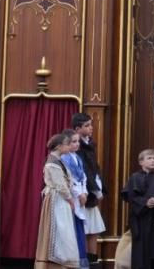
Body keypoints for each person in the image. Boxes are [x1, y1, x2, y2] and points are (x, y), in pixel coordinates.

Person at [35, 132, 80, 269]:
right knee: (58, 229)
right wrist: (70, 199)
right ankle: (54, 263)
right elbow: (60, 185)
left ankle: (64, 261)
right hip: (56, 199)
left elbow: (68, 180)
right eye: (67, 144)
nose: (69, 147)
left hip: (61, 199)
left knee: (64, 230)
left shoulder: (59, 160)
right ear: (60, 146)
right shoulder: (52, 163)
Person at [121, 149, 154, 269]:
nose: (153, 161)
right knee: (139, 250)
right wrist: (145, 202)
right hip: (139, 219)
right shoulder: (134, 177)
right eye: (149, 158)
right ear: (141, 162)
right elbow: (130, 196)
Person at [71, 113, 106, 266]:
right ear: (77, 129)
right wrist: (95, 190)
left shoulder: (90, 143)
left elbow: (94, 168)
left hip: (90, 194)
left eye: (91, 125)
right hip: (81, 195)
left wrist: (101, 187)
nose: (91, 128)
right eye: (87, 125)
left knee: (94, 230)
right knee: (82, 231)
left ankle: (93, 262)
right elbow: (83, 171)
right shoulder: (77, 148)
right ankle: (82, 262)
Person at [61, 129, 89, 269]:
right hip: (70, 198)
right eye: (74, 141)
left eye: (78, 141)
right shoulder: (64, 158)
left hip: (80, 197)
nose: (77, 144)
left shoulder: (77, 157)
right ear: (66, 142)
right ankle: (70, 262)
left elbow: (83, 176)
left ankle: (80, 260)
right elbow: (69, 179)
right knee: (70, 229)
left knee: (78, 228)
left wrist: (84, 192)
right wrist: (79, 193)